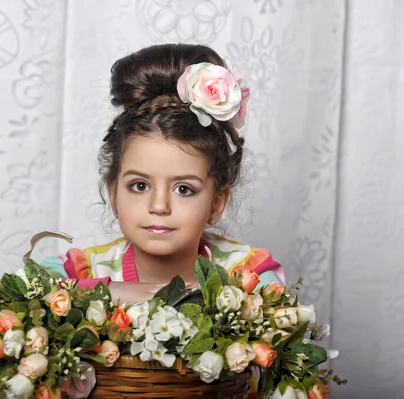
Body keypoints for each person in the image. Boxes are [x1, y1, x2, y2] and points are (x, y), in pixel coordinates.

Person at [42, 43, 285, 304]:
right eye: (139, 186)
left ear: (217, 202)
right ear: (113, 194)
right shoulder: (79, 272)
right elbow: (19, 296)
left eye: (183, 189)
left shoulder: (251, 277)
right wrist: (106, 292)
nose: (159, 206)